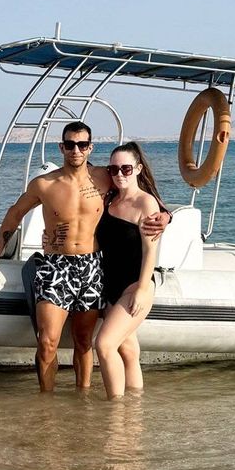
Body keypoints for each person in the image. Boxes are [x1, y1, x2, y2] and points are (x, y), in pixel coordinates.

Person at [0, 122, 166, 392]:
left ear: (90, 147)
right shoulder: (44, 184)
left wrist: (166, 217)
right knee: (47, 342)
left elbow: (140, 196)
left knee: (84, 342)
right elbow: (15, 213)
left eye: (82, 144)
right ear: (61, 147)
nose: (76, 150)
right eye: (70, 144)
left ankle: (81, 401)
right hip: (55, 266)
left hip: (92, 267)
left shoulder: (104, 178)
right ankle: (46, 405)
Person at [94, 142, 163, 399]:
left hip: (135, 285)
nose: (119, 174)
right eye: (113, 169)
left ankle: (115, 408)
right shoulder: (109, 199)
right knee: (129, 350)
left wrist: (143, 290)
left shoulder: (146, 203)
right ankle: (134, 410)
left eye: (125, 168)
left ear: (138, 169)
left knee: (104, 345)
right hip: (110, 284)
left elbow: (150, 251)